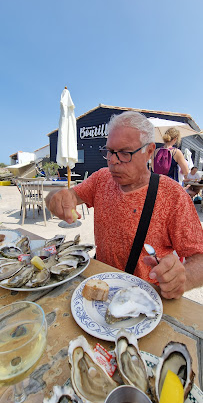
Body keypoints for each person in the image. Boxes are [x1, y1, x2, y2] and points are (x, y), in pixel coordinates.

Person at [45, 112, 203, 300]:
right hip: (101, 288)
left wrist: (183, 280)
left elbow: (200, 257)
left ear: (149, 151)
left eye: (124, 153)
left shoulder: (173, 195)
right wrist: (54, 197)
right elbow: (65, 196)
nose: (113, 161)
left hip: (146, 299)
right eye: (110, 152)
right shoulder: (101, 179)